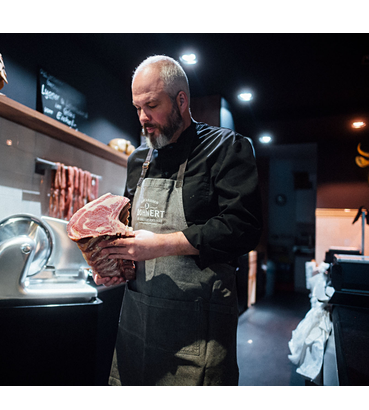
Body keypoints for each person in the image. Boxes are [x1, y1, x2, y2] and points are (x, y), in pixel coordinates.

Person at [94, 55, 262, 386]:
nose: (143, 118)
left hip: (199, 333)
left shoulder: (227, 148)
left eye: (152, 105)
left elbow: (242, 227)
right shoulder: (138, 159)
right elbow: (128, 228)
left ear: (181, 101)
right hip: (137, 324)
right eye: (137, 108)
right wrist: (114, 266)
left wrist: (160, 245)